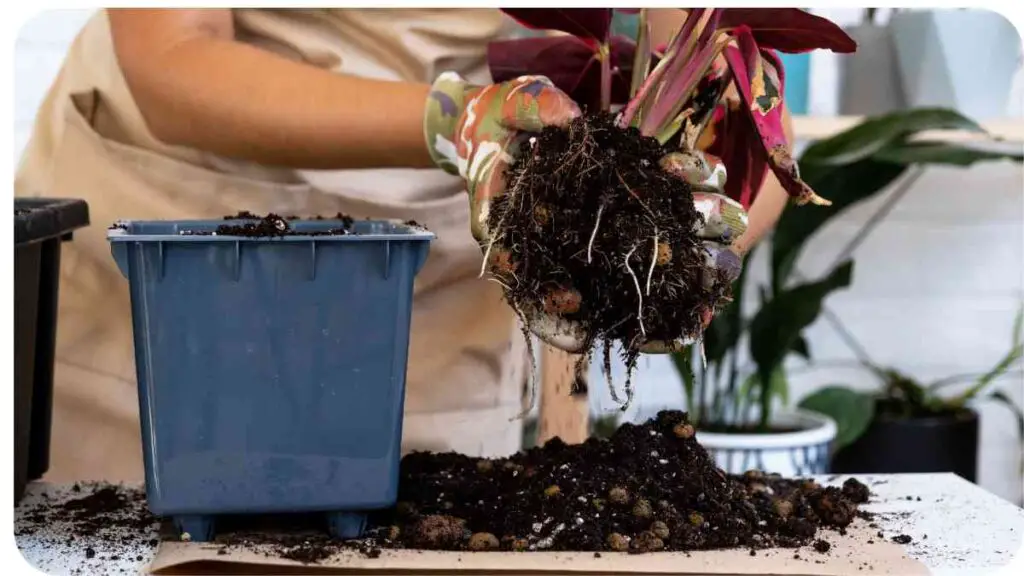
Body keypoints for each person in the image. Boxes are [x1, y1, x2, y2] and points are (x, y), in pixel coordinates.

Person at [15, 8, 796, 483]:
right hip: (177, 251)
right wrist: (450, 118)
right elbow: (172, 53)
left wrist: (687, 252)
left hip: (441, 272)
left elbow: (729, 69)